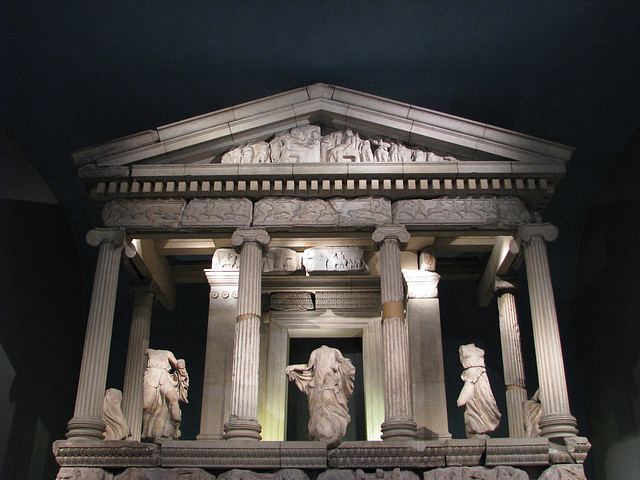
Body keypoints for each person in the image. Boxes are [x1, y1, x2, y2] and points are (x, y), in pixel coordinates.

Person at [285, 345, 355, 448]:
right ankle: (325, 435)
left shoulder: (316, 352)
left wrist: (293, 367)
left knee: (322, 411)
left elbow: (308, 367)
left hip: (323, 387)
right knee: (323, 411)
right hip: (326, 387)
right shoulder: (334, 351)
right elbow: (343, 364)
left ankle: (328, 435)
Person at [142, 348, 189, 441]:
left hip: (164, 377)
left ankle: (176, 420)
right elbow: (145, 350)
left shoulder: (168, 353)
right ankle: (145, 430)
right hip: (151, 377)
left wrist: (181, 364)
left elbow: (176, 364)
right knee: (147, 406)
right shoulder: (148, 351)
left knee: (172, 399)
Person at [456, 344, 501, 438]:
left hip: (480, 376)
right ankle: (478, 425)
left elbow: (461, 402)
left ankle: (480, 425)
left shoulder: (479, 351)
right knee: (473, 403)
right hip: (475, 375)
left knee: (482, 402)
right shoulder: (464, 349)